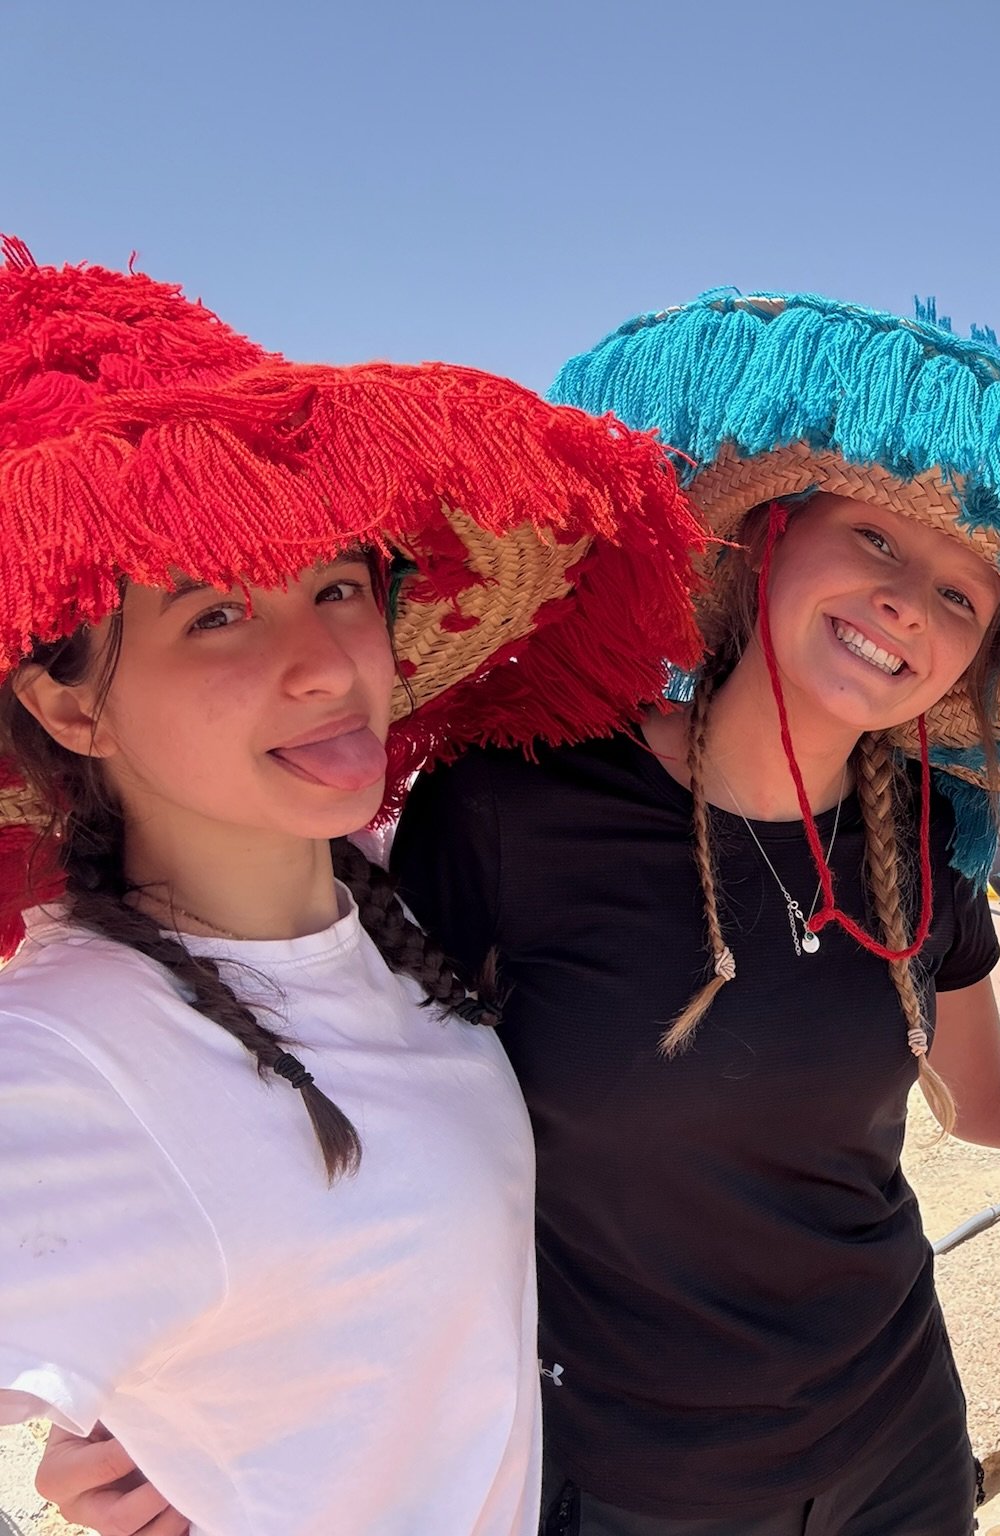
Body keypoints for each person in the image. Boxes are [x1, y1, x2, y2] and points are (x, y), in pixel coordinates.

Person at [398, 291, 1000, 1536]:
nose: (908, 608)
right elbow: (376, 1128)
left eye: (961, 599)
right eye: (877, 541)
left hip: (899, 1453)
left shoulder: (924, 841)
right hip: (628, 1486)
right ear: (769, 534)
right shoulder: (516, 805)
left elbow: (986, 1101)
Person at [0, 237, 707, 1535]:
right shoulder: (63, 1055)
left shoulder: (400, 884)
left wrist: (193, 1438)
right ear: (64, 701)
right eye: (216, 614)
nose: (327, 662)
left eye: (336, 586)